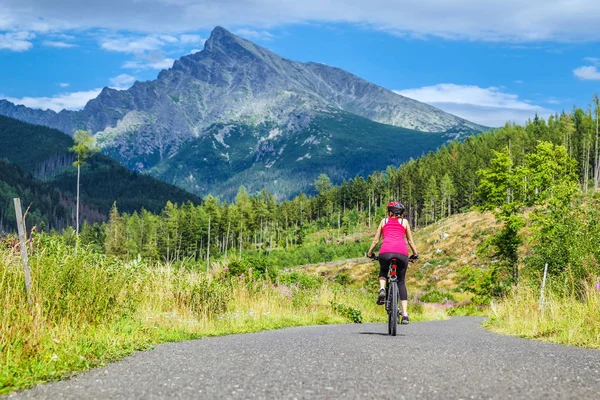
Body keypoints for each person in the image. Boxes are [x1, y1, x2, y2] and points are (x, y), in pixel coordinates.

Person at [367, 201, 419, 324]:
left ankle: (382, 289)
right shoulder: (404, 222)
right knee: (401, 281)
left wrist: (370, 253)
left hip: (385, 252)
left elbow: (375, 240)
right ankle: (405, 315)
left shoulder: (384, 221)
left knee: (384, 271)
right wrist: (415, 254)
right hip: (402, 254)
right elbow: (410, 242)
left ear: (390, 212)